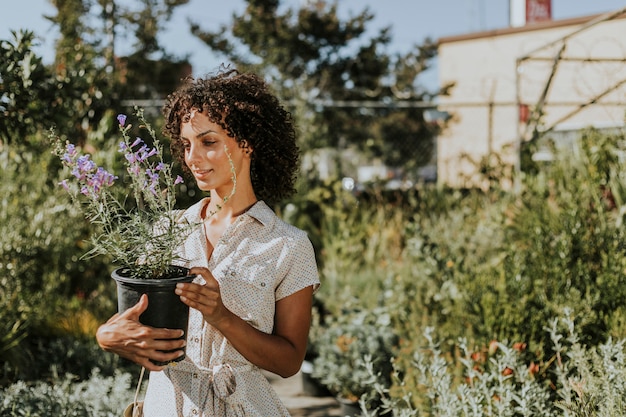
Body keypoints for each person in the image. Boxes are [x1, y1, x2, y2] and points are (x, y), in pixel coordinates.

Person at [96, 67, 320, 416]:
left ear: (247, 143)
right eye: (186, 144)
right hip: (165, 407)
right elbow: (132, 318)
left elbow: (289, 361)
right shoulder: (166, 230)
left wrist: (222, 316)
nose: (192, 158)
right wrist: (107, 336)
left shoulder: (289, 245)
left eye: (208, 142)